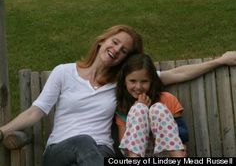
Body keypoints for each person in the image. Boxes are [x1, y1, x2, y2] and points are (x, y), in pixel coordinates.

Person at [0, 24, 236, 165]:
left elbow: (177, 74)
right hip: (59, 152)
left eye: (124, 51)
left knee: (92, 146)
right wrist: (3, 131)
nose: (116, 50)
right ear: (102, 40)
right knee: (84, 142)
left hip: (102, 152)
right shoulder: (64, 72)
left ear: (126, 58)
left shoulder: (123, 82)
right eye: (114, 42)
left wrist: (221, 60)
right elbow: (36, 110)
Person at [115, 53, 188, 157]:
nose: (138, 87)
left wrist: (156, 127)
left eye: (144, 81)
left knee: (157, 108)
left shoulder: (167, 99)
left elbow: (183, 136)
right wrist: (140, 113)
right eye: (132, 81)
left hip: (166, 154)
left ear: (152, 81)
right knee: (139, 109)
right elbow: (125, 145)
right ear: (124, 81)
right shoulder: (122, 107)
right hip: (140, 154)